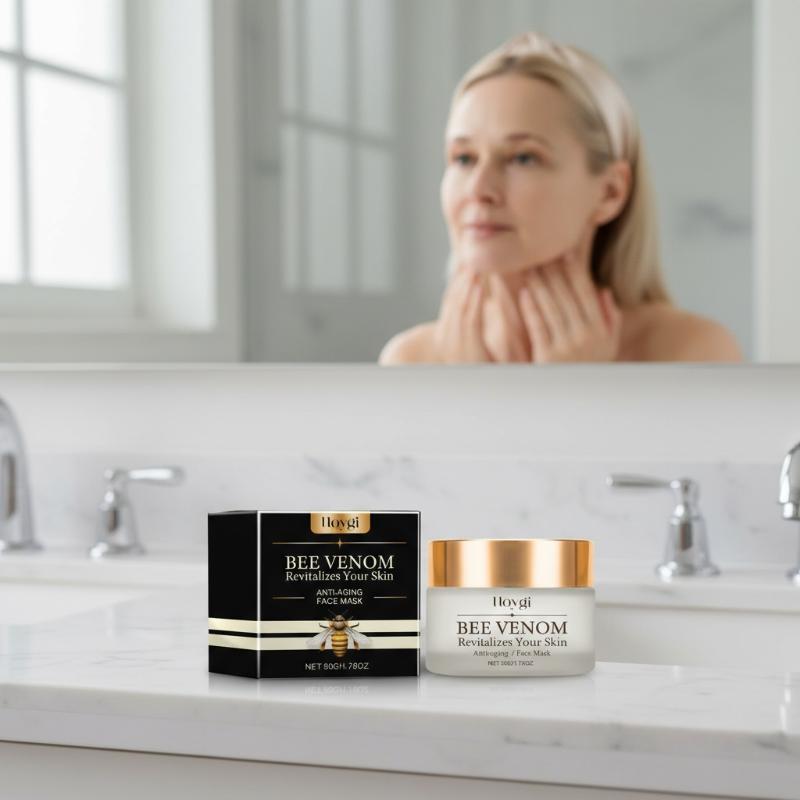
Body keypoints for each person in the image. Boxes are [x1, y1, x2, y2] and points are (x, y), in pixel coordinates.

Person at [379, 32, 742, 364]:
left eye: (523, 157)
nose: (478, 189)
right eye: (463, 158)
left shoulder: (689, 352)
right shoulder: (411, 359)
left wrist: (579, 393)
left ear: (610, 192)